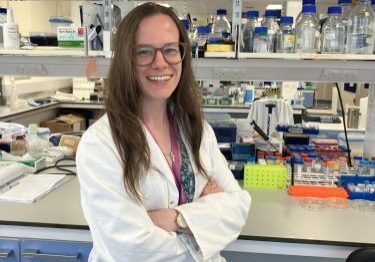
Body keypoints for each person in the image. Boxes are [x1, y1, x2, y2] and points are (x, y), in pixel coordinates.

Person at [76, 3, 251, 261]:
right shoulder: (100, 145)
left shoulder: (197, 130)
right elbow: (132, 249)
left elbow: (238, 206)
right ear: (126, 59)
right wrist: (205, 223)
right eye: (144, 52)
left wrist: (177, 218)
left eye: (170, 50)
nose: (160, 63)